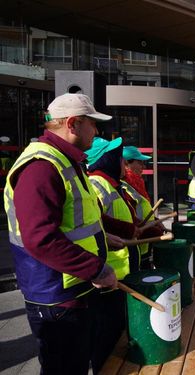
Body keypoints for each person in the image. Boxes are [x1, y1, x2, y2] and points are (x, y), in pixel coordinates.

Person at [3, 93, 120, 374]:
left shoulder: (65, 159)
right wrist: (96, 269)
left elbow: (81, 216)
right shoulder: (42, 167)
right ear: (73, 123)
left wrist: (109, 235)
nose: (97, 131)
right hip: (56, 297)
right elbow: (40, 238)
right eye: (92, 124)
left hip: (72, 289)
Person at [85, 137, 164, 373]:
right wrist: (131, 229)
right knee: (106, 336)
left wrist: (141, 227)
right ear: (107, 159)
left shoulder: (116, 184)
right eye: (118, 157)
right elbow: (98, 222)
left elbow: (126, 217)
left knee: (118, 329)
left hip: (125, 268)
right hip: (109, 274)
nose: (123, 163)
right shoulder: (96, 184)